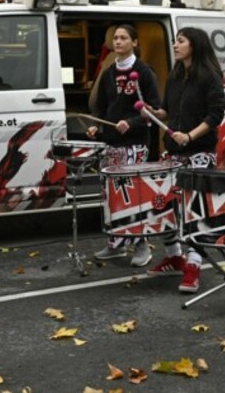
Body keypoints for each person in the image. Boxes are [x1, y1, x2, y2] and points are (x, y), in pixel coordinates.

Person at [142, 27, 225, 293]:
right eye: (174, 40)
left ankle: (194, 264)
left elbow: (216, 115)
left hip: (199, 152)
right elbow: (167, 110)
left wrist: (190, 136)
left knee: (195, 210)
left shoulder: (209, 76)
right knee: (163, 206)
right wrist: (153, 113)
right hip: (174, 152)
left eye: (180, 41)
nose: (175, 45)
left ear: (195, 45)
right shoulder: (176, 75)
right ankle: (174, 254)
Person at [88, 24, 161, 267]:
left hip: (135, 144)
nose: (118, 42)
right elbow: (100, 106)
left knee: (134, 198)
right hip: (112, 143)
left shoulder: (144, 72)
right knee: (112, 197)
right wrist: (96, 127)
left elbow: (154, 110)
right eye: (115, 38)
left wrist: (130, 122)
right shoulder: (109, 72)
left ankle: (142, 245)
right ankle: (116, 244)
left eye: (123, 38)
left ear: (135, 42)